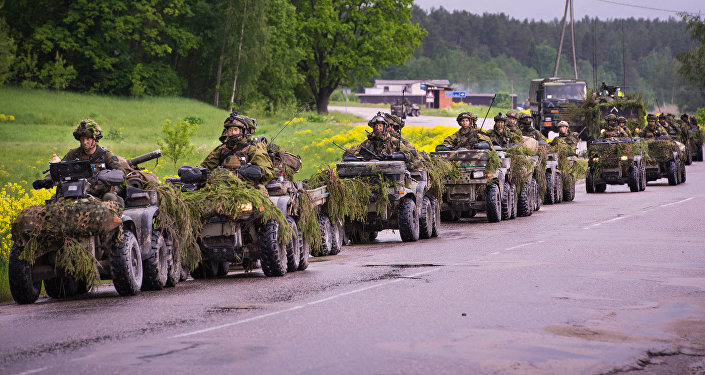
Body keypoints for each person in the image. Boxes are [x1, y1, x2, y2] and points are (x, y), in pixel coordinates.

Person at [33, 119, 125, 204]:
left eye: (88, 139)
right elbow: (60, 170)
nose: (85, 142)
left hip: (100, 194)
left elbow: (120, 173)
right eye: (82, 139)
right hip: (76, 192)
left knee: (110, 198)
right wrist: (46, 181)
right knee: (58, 202)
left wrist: (106, 176)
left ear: (95, 139)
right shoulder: (73, 154)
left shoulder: (106, 155)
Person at [200, 113, 275, 185]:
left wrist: (253, 171)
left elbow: (268, 173)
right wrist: (196, 172)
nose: (233, 133)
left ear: (243, 131)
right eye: (230, 130)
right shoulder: (221, 149)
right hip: (221, 185)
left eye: (236, 130)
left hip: (248, 187)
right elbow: (206, 167)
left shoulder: (252, 149)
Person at [343, 113, 415, 168]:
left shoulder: (394, 142)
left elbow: (410, 155)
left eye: (380, 126)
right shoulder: (367, 143)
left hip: (392, 173)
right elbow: (351, 153)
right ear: (373, 127)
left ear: (384, 127)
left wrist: (394, 156)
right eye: (376, 126)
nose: (378, 128)